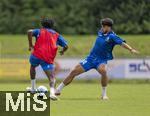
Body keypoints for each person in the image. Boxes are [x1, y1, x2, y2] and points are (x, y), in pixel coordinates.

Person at [55, 18, 139, 100]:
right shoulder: (101, 32)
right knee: (73, 72)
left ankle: (104, 95)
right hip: (90, 59)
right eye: (102, 26)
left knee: (103, 71)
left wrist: (131, 49)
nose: (102, 28)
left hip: (101, 60)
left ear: (108, 27)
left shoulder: (113, 36)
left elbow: (122, 43)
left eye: (103, 26)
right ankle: (58, 90)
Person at [27, 18, 68, 100]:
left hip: (36, 55)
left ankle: (33, 88)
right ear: (52, 26)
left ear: (42, 25)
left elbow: (29, 32)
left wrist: (31, 45)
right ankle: (52, 94)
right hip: (47, 58)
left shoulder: (39, 31)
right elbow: (66, 45)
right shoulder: (56, 35)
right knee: (51, 77)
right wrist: (63, 51)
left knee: (32, 67)